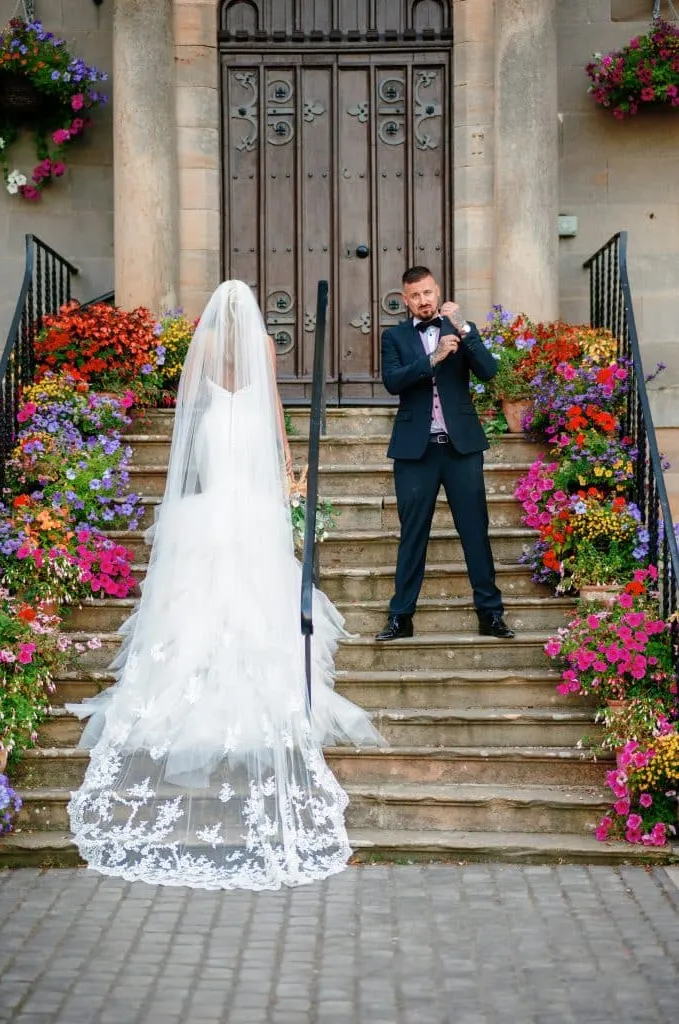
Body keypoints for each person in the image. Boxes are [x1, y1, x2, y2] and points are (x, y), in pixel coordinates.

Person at [67, 280, 383, 891]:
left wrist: (275, 478)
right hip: (244, 500)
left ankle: (202, 687)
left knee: (205, 598)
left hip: (219, 500)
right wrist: (290, 478)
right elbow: (272, 424)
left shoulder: (204, 345)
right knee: (238, 595)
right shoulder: (260, 345)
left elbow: (190, 423)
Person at [375, 266, 514, 642]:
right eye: (415, 295)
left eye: (428, 293)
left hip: (461, 448)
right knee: (413, 535)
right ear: (406, 301)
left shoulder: (461, 330)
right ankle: (401, 617)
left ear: (438, 292)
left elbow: (488, 371)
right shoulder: (395, 337)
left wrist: (464, 330)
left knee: (475, 532)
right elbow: (393, 381)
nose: (423, 300)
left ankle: (491, 614)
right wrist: (434, 357)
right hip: (414, 452)